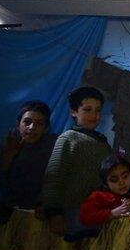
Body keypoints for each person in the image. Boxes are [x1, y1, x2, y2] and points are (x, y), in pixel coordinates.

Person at [42, 86, 114, 239]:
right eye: (87, 109)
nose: (94, 115)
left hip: (98, 213)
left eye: (98, 110)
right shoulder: (68, 138)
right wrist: (54, 213)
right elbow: (54, 177)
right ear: (73, 112)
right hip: (73, 213)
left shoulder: (104, 143)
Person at [0, 100, 57, 224]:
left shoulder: (54, 146)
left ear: (46, 128)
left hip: (41, 215)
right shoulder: (8, 145)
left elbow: (58, 182)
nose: (32, 128)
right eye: (27, 122)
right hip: (9, 214)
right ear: (18, 124)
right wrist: (8, 158)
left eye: (39, 124)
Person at [79, 155, 130, 228]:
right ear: (106, 183)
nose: (122, 182)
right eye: (114, 179)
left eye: (125, 177)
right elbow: (84, 217)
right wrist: (111, 213)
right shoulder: (98, 197)